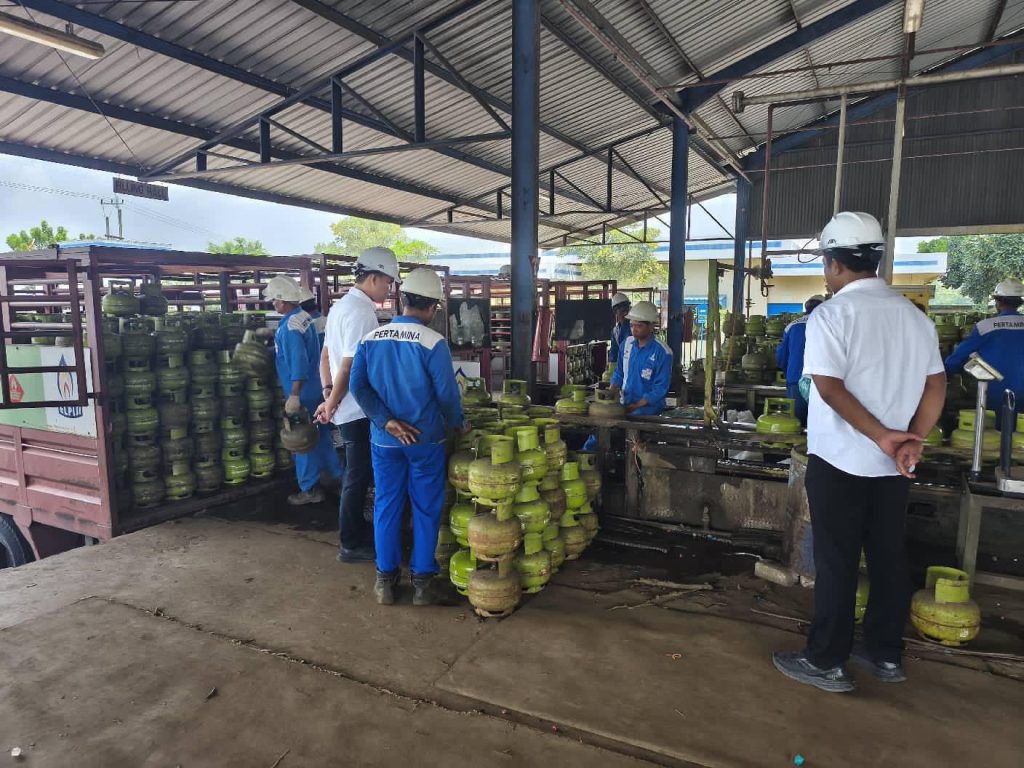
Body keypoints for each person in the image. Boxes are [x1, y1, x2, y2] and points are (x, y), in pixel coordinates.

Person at [772, 212, 946, 693]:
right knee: (888, 558)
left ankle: (827, 661)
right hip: (894, 467)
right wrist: (911, 439)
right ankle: (885, 654)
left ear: (833, 263)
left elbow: (828, 388)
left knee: (838, 561)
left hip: (840, 463)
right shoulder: (914, 317)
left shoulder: (831, 316)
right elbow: (936, 384)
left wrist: (882, 436)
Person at [349, 268, 464, 606]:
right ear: (432, 307)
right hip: (425, 441)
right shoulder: (433, 343)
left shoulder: (370, 339)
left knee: (387, 505)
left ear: (402, 299)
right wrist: (458, 423)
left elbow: (358, 387)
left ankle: (385, 582)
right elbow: (447, 396)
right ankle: (422, 585)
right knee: (426, 508)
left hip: (384, 442)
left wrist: (386, 421)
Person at [315, 247, 401, 563]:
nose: (389, 289)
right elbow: (349, 365)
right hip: (358, 409)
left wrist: (328, 395)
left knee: (357, 474)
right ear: (374, 277)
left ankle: (357, 532)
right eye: (388, 282)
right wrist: (332, 402)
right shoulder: (362, 312)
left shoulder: (340, 307)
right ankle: (350, 544)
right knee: (357, 476)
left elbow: (325, 356)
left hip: (344, 405)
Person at [264, 276, 342, 506]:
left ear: (282, 301)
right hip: (316, 386)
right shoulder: (304, 317)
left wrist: (294, 395)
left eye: (274, 300)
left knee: (301, 440)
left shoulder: (289, 328)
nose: (273, 304)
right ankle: (337, 477)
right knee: (322, 435)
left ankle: (309, 489)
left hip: (302, 391)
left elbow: (298, 363)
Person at [944, 278, 1024, 426]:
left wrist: (945, 373)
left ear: (998, 302)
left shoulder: (986, 326)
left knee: (997, 433)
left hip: (996, 391)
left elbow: (960, 354)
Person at [608, 300, 672, 415]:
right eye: (632, 325)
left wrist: (637, 405)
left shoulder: (663, 352)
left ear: (651, 326)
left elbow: (660, 388)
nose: (634, 329)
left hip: (650, 410)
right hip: (626, 403)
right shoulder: (626, 344)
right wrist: (611, 392)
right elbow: (619, 372)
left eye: (639, 326)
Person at [776, 295, 826, 426]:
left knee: (796, 423)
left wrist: (788, 371)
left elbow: (781, 356)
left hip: (795, 379)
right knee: (819, 423)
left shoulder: (792, 325)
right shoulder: (827, 324)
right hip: (822, 382)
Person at [608, 292, 632, 366]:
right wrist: (611, 368)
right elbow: (614, 353)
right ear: (615, 311)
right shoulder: (615, 331)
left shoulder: (634, 328)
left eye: (627, 310)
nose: (625, 313)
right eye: (622, 311)